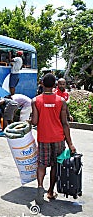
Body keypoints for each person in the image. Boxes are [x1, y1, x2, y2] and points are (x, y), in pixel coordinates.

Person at [31, 73, 76, 204]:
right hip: (58, 138)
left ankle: (40, 187)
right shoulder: (61, 101)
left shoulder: (35, 100)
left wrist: (29, 121)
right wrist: (70, 144)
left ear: (42, 84)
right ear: (55, 85)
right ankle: (50, 191)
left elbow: (34, 122)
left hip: (43, 138)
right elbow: (65, 124)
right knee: (56, 165)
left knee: (41, 164)